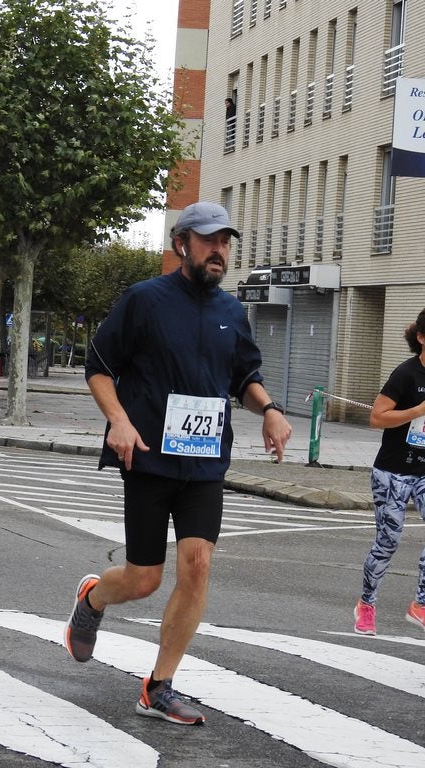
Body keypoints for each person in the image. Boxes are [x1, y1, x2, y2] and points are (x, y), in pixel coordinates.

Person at [65, 201, 293, 726]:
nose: (220, 250)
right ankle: (94, 597)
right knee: (144, 579)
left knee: (198, 565)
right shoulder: (145, 300)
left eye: (226, 241)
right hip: (147, 457)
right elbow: (99, 366)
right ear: (181, 244)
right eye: (210, 240)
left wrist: (271, 410)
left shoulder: (232, 313)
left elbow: (244, 379)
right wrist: (118, 420)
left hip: (204, 463)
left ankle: (159, 686)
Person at [354, 310, 425, 635]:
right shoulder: (406, 374)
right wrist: (417, 411)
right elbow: (377, 417)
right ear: (421, 339)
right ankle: (366, 604)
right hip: (393, 472)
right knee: (388, 541)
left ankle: (420, 604)